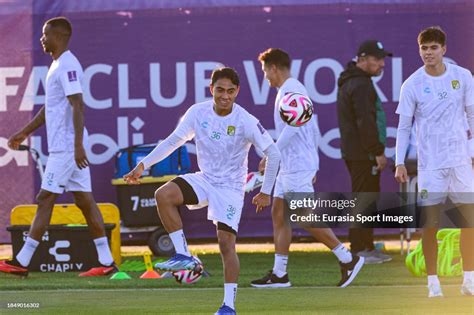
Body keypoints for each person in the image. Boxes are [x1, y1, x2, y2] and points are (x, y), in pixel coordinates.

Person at [124, 67, 280, 315]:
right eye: (220, 90)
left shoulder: (246, 121)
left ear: (237, 91)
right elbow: (174, 140)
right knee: (163, 195)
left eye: (230, 91)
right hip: (205, 179)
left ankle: (228, 305)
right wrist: (143, 164)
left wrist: (266, 191)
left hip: (230, 187)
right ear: (212, 89)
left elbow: (274, 153)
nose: (225, 96)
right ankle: (184, 256)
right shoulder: (198, 112)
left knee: (225, 244)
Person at [0, 17, 116, 277]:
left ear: (60, 36)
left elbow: (78, 104)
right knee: (85, 201)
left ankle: (21, 261)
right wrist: (23, 132)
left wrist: (76, 146)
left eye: (45, 34)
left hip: (66, 147)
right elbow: (50, 109)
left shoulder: (68, 65)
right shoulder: (57, 65)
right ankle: (107, 263)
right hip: (67, 146)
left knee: (45, 198)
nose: (42, 39)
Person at [250, 48, 364, 289]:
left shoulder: (293, 90)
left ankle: (348, 258)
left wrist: (272, 154)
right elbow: (312, 129)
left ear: (273, 68)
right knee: (279, 214)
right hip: (291, 164)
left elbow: (293, 128)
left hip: (297, 165)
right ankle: (280, 274)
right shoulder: (287, 91)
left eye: (265, 72)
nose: (265, 78)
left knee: (304, 217)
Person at [395, 26, 474, 297]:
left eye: (433, 48)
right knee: (430, 223)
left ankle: (469, 280)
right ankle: (433, 283)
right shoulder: (412, 84)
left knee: (468, 222)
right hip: (430, 165)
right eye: (424, 48)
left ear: (444, 49)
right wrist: (399, 162)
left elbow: (472, 116)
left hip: (460, 161)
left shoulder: (462, 77)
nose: (428, 53)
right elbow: (404, 126)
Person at [336, 40, 393, 264]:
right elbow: (365, 122)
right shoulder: (360, 84)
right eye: (377, 59)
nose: (382, 64)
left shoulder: (358, 81)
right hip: (363, 154)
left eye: (382, 59)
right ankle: (359, 249)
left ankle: (366, 246)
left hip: (358, 152)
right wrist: (377, 151)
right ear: (362, 59)